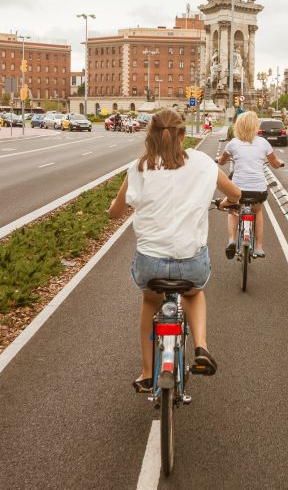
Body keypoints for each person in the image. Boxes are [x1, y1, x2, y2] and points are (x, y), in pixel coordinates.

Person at [109, 108, 241, 393]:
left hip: (150, 265)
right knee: (194, 293)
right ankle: (202, 347)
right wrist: (226, 203)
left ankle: (146, 373)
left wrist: (123, 205)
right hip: (190, 264)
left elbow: (115, 212)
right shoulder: (203, 162)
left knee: (150, 303)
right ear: (182, 135)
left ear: (150, 136)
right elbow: (236, 194)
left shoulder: (140, 167)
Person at [216, 110, 284, 259]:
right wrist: (279, 163)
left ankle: (232, 240)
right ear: (255, 126)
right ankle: (259, 247)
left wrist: (219, 159)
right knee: (258, 211)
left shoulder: (233, 143)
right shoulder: (264, 143)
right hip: (258, 190)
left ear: (238, 126)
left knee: (233, 210)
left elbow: (222, 161)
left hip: (238, 190)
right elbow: (274, 163)